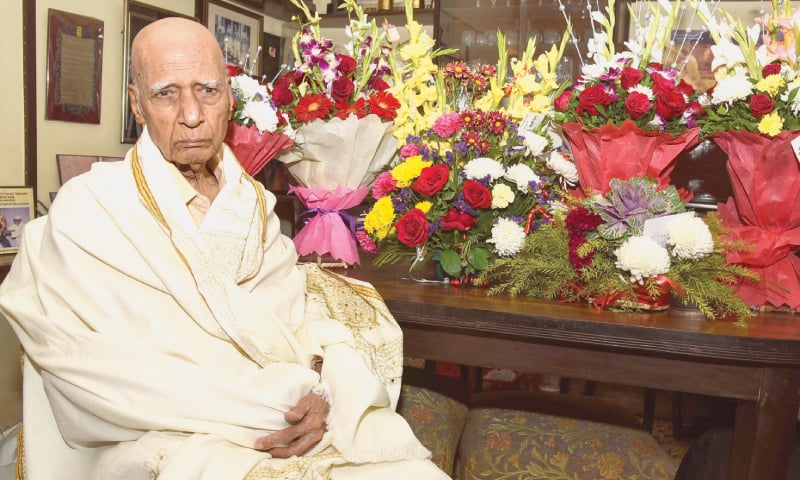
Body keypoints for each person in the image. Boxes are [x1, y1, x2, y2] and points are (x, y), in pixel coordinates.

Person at [0, 17, 447, 480]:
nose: (191, 114)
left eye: (207, 90)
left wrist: (326, 391)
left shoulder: (253, 205)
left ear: (230, 99)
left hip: (296, 417)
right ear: (137, 104)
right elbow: (92, 376)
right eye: (166, 93)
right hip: (167, 437)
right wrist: (266, 408)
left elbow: (293, 324)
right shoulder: (90, 211)